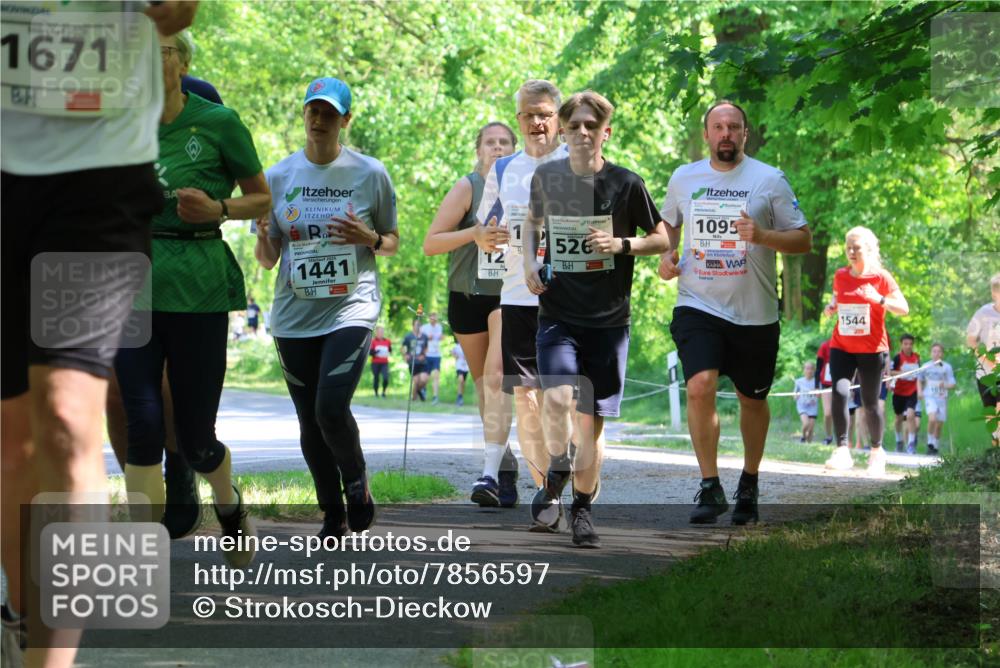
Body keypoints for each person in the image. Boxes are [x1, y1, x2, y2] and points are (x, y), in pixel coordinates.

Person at [1, 3, 197, 665]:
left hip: (101, 173)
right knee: (9, 442)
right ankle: (26, 617)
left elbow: (178, 11)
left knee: (65, 412)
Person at [114, 27, 270, 566]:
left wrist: (219, 210)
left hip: (199, 284)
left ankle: (228, 507)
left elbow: (263, 198)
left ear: (182, 64)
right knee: (143, 424)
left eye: (159, 54)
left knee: (197, 438)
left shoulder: (218, 122)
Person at [254, 76, 399, 538]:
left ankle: (356, 483)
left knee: (330, 408)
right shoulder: (277, 177)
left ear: (345, 121)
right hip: (294, 317)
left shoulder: (369, 172)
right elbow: (269, 259)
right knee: (308, 419)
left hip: (350, 309)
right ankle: (331, 510)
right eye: (312, 111)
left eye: (329, 113)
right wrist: (261, 236)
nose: (319, 120)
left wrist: (370, 238)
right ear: (304, 115)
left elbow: (393, 241)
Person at [525, 91, 670, 548]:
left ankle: (583, 511)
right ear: (563, 133)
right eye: (575, 126)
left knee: (591, 420)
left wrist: (621, 246)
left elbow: (662, 239)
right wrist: (530, 262)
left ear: (606, 131)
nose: (583, 133)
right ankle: (557, 465)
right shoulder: (546, 178)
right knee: (559, 399)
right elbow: (531, 223)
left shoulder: (627, 183)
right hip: (559, 314)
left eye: (592, 125)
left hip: (608, 321)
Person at [658, 100, 811, 525]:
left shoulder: (769, 180)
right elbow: (668, 226)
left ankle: (749, 479)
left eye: (734, 127)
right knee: (700, 385)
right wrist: (667, 256)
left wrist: (762, 235)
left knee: (751, 398)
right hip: (698, 302)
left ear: (745, 134)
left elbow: (803, 240)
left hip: (755, 312)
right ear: (706, 134)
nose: (725, 134)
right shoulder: (684, 178)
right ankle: (710, 486)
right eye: (718, 127)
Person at [473, 80, 570, 515]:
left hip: (570, 301)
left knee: (561, 399)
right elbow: (487, 229)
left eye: (545, 113)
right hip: (516, 297)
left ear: (559, 118)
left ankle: (570, 479)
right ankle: (546, 496)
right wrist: (488, 237)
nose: (536, 122)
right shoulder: (502, 168)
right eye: (529, 114)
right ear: (519, 119)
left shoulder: (579, 163)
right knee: (527, 401)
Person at [422, 121, 519, 506]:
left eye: (504, 143)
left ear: (515, 149)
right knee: (483, 387)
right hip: (467, 295)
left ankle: (489, 474)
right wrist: (473, 234)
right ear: (478, 149)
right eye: (489, 143)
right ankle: (505, 462)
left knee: (497, 378)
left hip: (508, 296)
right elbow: (431, 243)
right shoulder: (467, 187)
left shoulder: (528, 186)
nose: (497, 148)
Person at [822, 227, 909, 475]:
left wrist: (879, 299)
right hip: (842, 345)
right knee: (839, 393)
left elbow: (904, 308)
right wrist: (832, 307)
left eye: (856, 247)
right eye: (848, 247)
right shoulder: (840, 275)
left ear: (869, 250)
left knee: (870, 403)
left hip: (872, 349)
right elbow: (838, 299)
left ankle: (876, 451)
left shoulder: (882, 278)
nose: (851, 251)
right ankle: (841, 451)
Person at [965, 273, 1000, 447]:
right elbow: (970, 340)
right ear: (994, 294)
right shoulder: (983, 313)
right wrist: (987, 357)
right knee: (991, 412)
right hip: (986, 371)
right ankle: (995, 445)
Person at [921, 343, 956, 455]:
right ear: (931, 353)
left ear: (942, 353)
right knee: (932, 419)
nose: (936, 354)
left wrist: (944, 385)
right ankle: (930, 442)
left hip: (941, 398)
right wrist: (919, 391)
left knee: (939, 424)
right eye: (934, 351)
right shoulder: (926, 366)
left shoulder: (947, 367)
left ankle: (935, 446)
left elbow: (952, 384)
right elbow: (919, 379)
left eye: (939, 351)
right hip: (930, 396)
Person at [890, 334, 922, 454]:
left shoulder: (917, 358)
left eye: (910, 344)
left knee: (910, 416)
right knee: (898, 418)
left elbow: (919, 374)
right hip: (899, 392)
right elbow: (890, 372)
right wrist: (901, 372)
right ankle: (899, 441)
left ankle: (911, 443)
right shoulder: (897, 358)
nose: (908, 346)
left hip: (912, 391)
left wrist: (919, 390)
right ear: (901, 345)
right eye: (905, 344)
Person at [402, 318, 430, 401]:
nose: (418, 326)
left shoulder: (424, 336)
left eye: (419, 325)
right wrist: (405, 355)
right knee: (416, 381)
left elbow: (426, 348)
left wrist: (424, 355)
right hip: (412, 362)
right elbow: (403, 347)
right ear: (413, 326)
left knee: (424, 380)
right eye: (416, 325)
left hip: (422, 362)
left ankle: (418, 392)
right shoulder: (408, 336)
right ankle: (414, 399)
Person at [420, 312, 445, 404]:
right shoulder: (424, 328)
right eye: (432, 318)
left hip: (436, 355)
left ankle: (435, 396)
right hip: (427, 355)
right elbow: (420, 339)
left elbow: (441, 337)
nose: (434, 320)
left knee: (436, 375)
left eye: (435, 318)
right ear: (429, 318)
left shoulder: (439, 327)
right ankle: (423, 389)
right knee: (425, 377)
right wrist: (427, 338)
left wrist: (442, 337)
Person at [815, 338, 835, 444]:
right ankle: (828, 436)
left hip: (841, 383)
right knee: (828, 413)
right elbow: (818, 368)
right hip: (826, 384)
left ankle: (844, 439)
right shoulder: (825, 346)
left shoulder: (846, 344)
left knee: (841, 412)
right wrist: (816, 386)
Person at [793, 362, 818, 443]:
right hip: (802, 406)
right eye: (807, 368)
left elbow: (820, 395)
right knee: (806, 423)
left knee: (811, 429)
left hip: (813, 406)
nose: (809, 371)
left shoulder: (816, 382)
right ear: (803, 370)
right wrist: (796, 396)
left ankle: (809, 445)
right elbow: (794, 394)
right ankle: (803, 436)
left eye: (811, 368)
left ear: (814, 370)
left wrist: (815, 393)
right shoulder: (799, 381)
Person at [370, 325, 392, 398]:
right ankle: (376, 393)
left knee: (386, 377)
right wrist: (376, 352)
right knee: (376, 378)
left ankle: (383, 392)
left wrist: (387, 352)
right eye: (379, 332)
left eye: (382, 332)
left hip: (384, 363)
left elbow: (390, 350)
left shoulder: (387, 341)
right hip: (375, 362)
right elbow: (370, 352)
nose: (381, 333)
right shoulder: (373, 341)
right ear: (376, 332)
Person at [453, 339, 470, 406]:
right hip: (459, 365)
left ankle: (460, 397)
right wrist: (455, 355)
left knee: (463, 382)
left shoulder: (468, 346)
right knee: (461, 379)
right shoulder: (457, 346)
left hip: (466, 366)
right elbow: (453, 353)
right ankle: (459, 396)